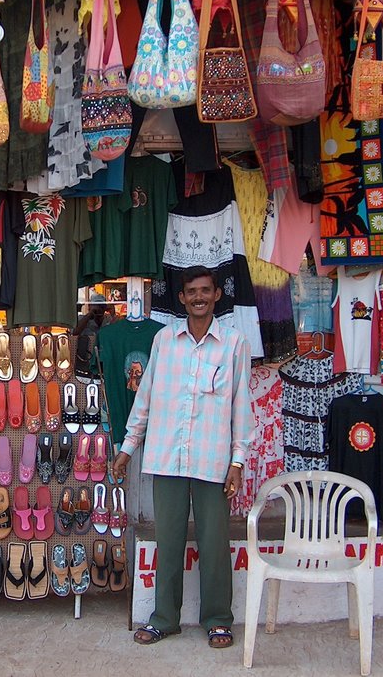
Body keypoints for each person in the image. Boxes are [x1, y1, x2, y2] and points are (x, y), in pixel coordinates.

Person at [111, 265, 253, 649]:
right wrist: (127, 448)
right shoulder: (164, 341)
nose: (199, 297)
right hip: (166, 458)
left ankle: (219, 619)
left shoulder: (234, 343)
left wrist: (237, 462)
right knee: (168, 541)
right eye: (192, 292)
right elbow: (146, 398)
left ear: (217, 295)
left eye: (205, 291)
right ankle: (164, 619)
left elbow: (242, 406)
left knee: (214, 543)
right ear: (182, 298)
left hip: (212, 461)